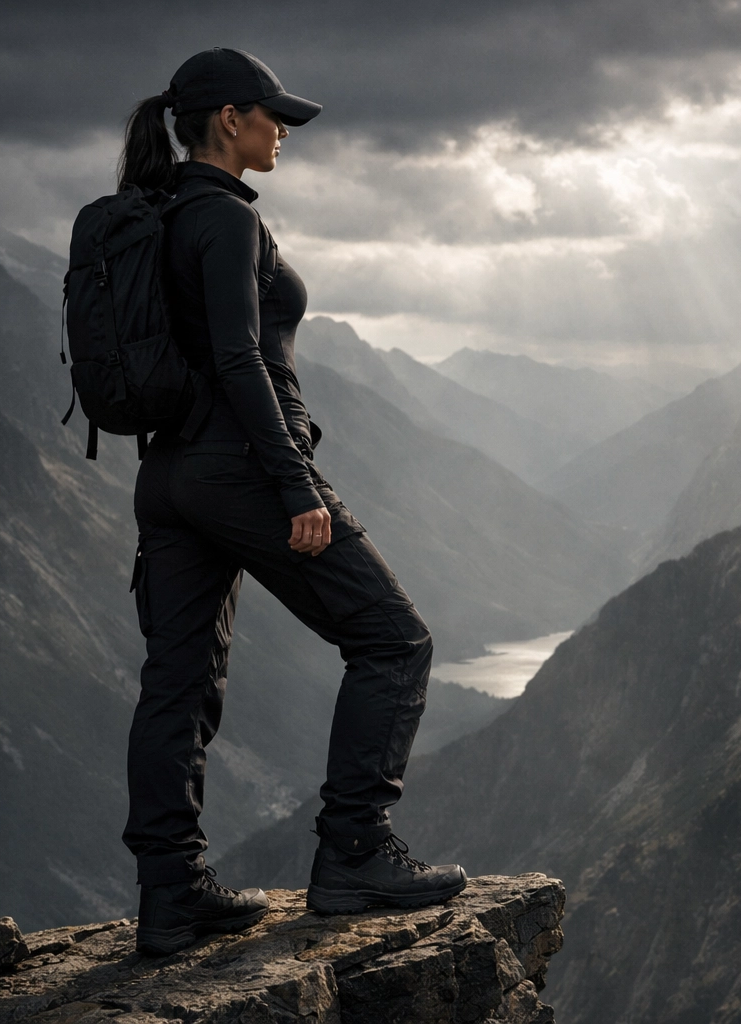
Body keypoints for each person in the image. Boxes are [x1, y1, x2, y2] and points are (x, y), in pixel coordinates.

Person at [115, 48, 466, 956]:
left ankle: (171, 895)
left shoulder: (158, 215)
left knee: (177, 681)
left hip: (169, 476)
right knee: (394, 640)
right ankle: (355, 852)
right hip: (240, 469)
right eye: (273, 116)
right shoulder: (226, 218)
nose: (283, 133)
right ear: (230, 120)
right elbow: (240, 359)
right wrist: (297, 485)